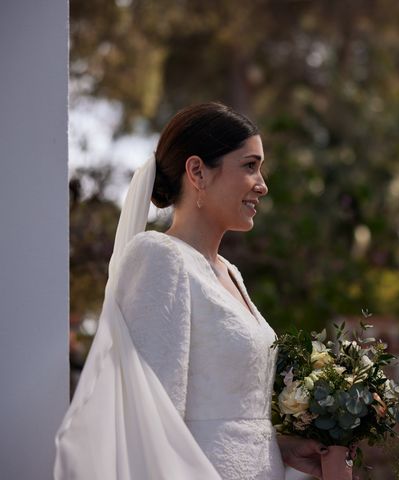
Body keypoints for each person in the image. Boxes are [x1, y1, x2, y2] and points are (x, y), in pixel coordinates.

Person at [54, 102, 326, 479]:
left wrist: (283, 447)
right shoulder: (160, 259)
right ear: (197, 171)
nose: (262, 184)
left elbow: (226, 414)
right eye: (250, 165)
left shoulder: (230, 273)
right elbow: (152, 420)